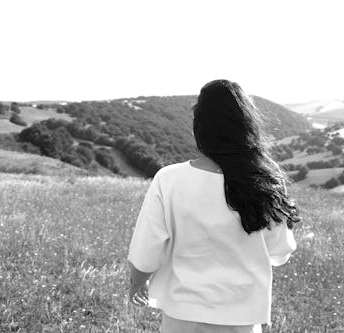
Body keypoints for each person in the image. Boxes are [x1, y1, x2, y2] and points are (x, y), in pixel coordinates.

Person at [127, 79, 301, 333]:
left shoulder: (169, 179)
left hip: (181, 315)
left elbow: (146, 247)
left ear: (201, 127)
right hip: (242, 317)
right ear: (247, 125)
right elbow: (279, 250)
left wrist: (137, 283)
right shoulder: (265, 177)